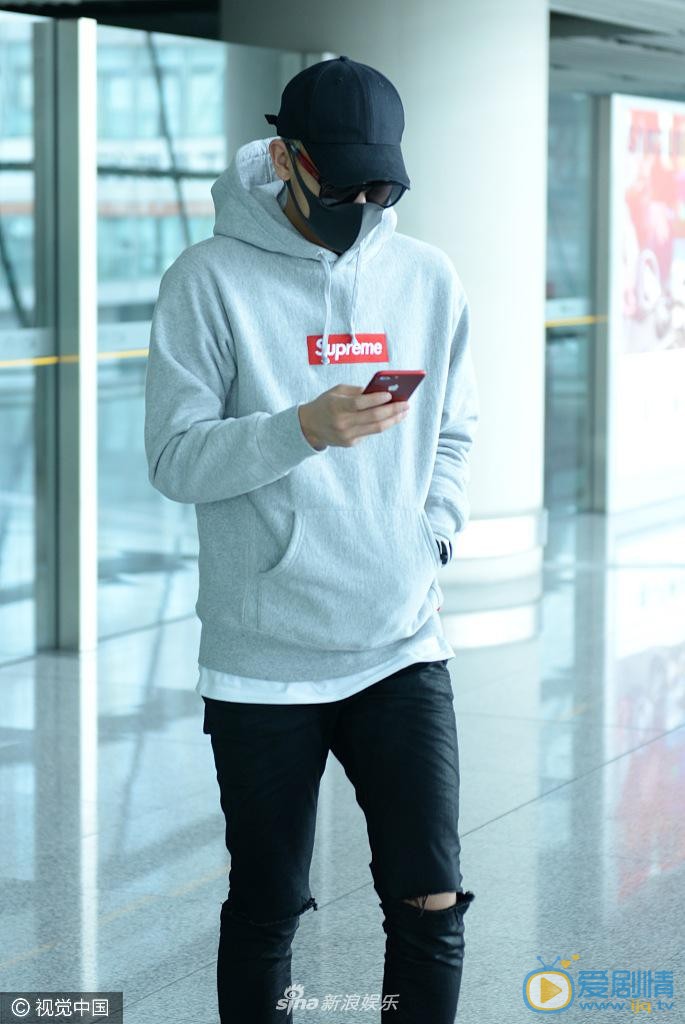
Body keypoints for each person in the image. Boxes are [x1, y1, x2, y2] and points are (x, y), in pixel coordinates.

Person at [144, 54, 479, 1024]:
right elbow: (173, 459)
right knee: (267, 907)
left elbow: (454, 431)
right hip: (263, 662)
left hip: (400, 640)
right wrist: (300, 428)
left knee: (430, 897)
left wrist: (431, 538)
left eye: (383, 190)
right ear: (288, 158)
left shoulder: (425, 278)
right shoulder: (206, 281)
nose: (364, 209)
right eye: (344, 187)